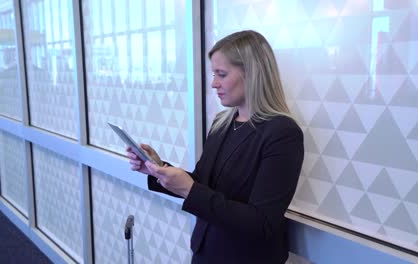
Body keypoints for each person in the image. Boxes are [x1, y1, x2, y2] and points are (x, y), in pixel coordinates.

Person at [126, 30, 304, 263]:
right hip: (205, 253)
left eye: (221, 74)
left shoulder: (283, 134)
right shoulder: (223, 123)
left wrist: (190, 190)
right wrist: (157, 168)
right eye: (214, 74)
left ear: (251, 74)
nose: (213, 83)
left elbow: (262, 223)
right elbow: (203, 183)